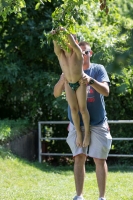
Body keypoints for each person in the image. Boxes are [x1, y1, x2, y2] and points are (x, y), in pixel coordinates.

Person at [53, 41, 112, 200]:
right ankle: (79, 196)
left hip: (98, 122)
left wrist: (90, 80)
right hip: (76, 123)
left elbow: (106, 91)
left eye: (86, 52)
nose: (84, 55)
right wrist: (62, 80)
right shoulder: (69, 69)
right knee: (79, 158)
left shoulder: (98, 69)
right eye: (82, 52)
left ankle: (101, 197)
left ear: (90, 53)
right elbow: (56, 93)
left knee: (100, 159)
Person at [51, 28, 90, 147]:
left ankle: (87, 133)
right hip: (68, 83)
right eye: (64, 41)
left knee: (82, 109)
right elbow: (56, 47)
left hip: (80, 83)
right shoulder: (61, 54)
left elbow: (73, 43)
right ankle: (78, 132)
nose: (66, 43)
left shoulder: (78, 52)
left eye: (68, 40)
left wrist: (66, 31)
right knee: (73, 109)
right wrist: (55, 36)